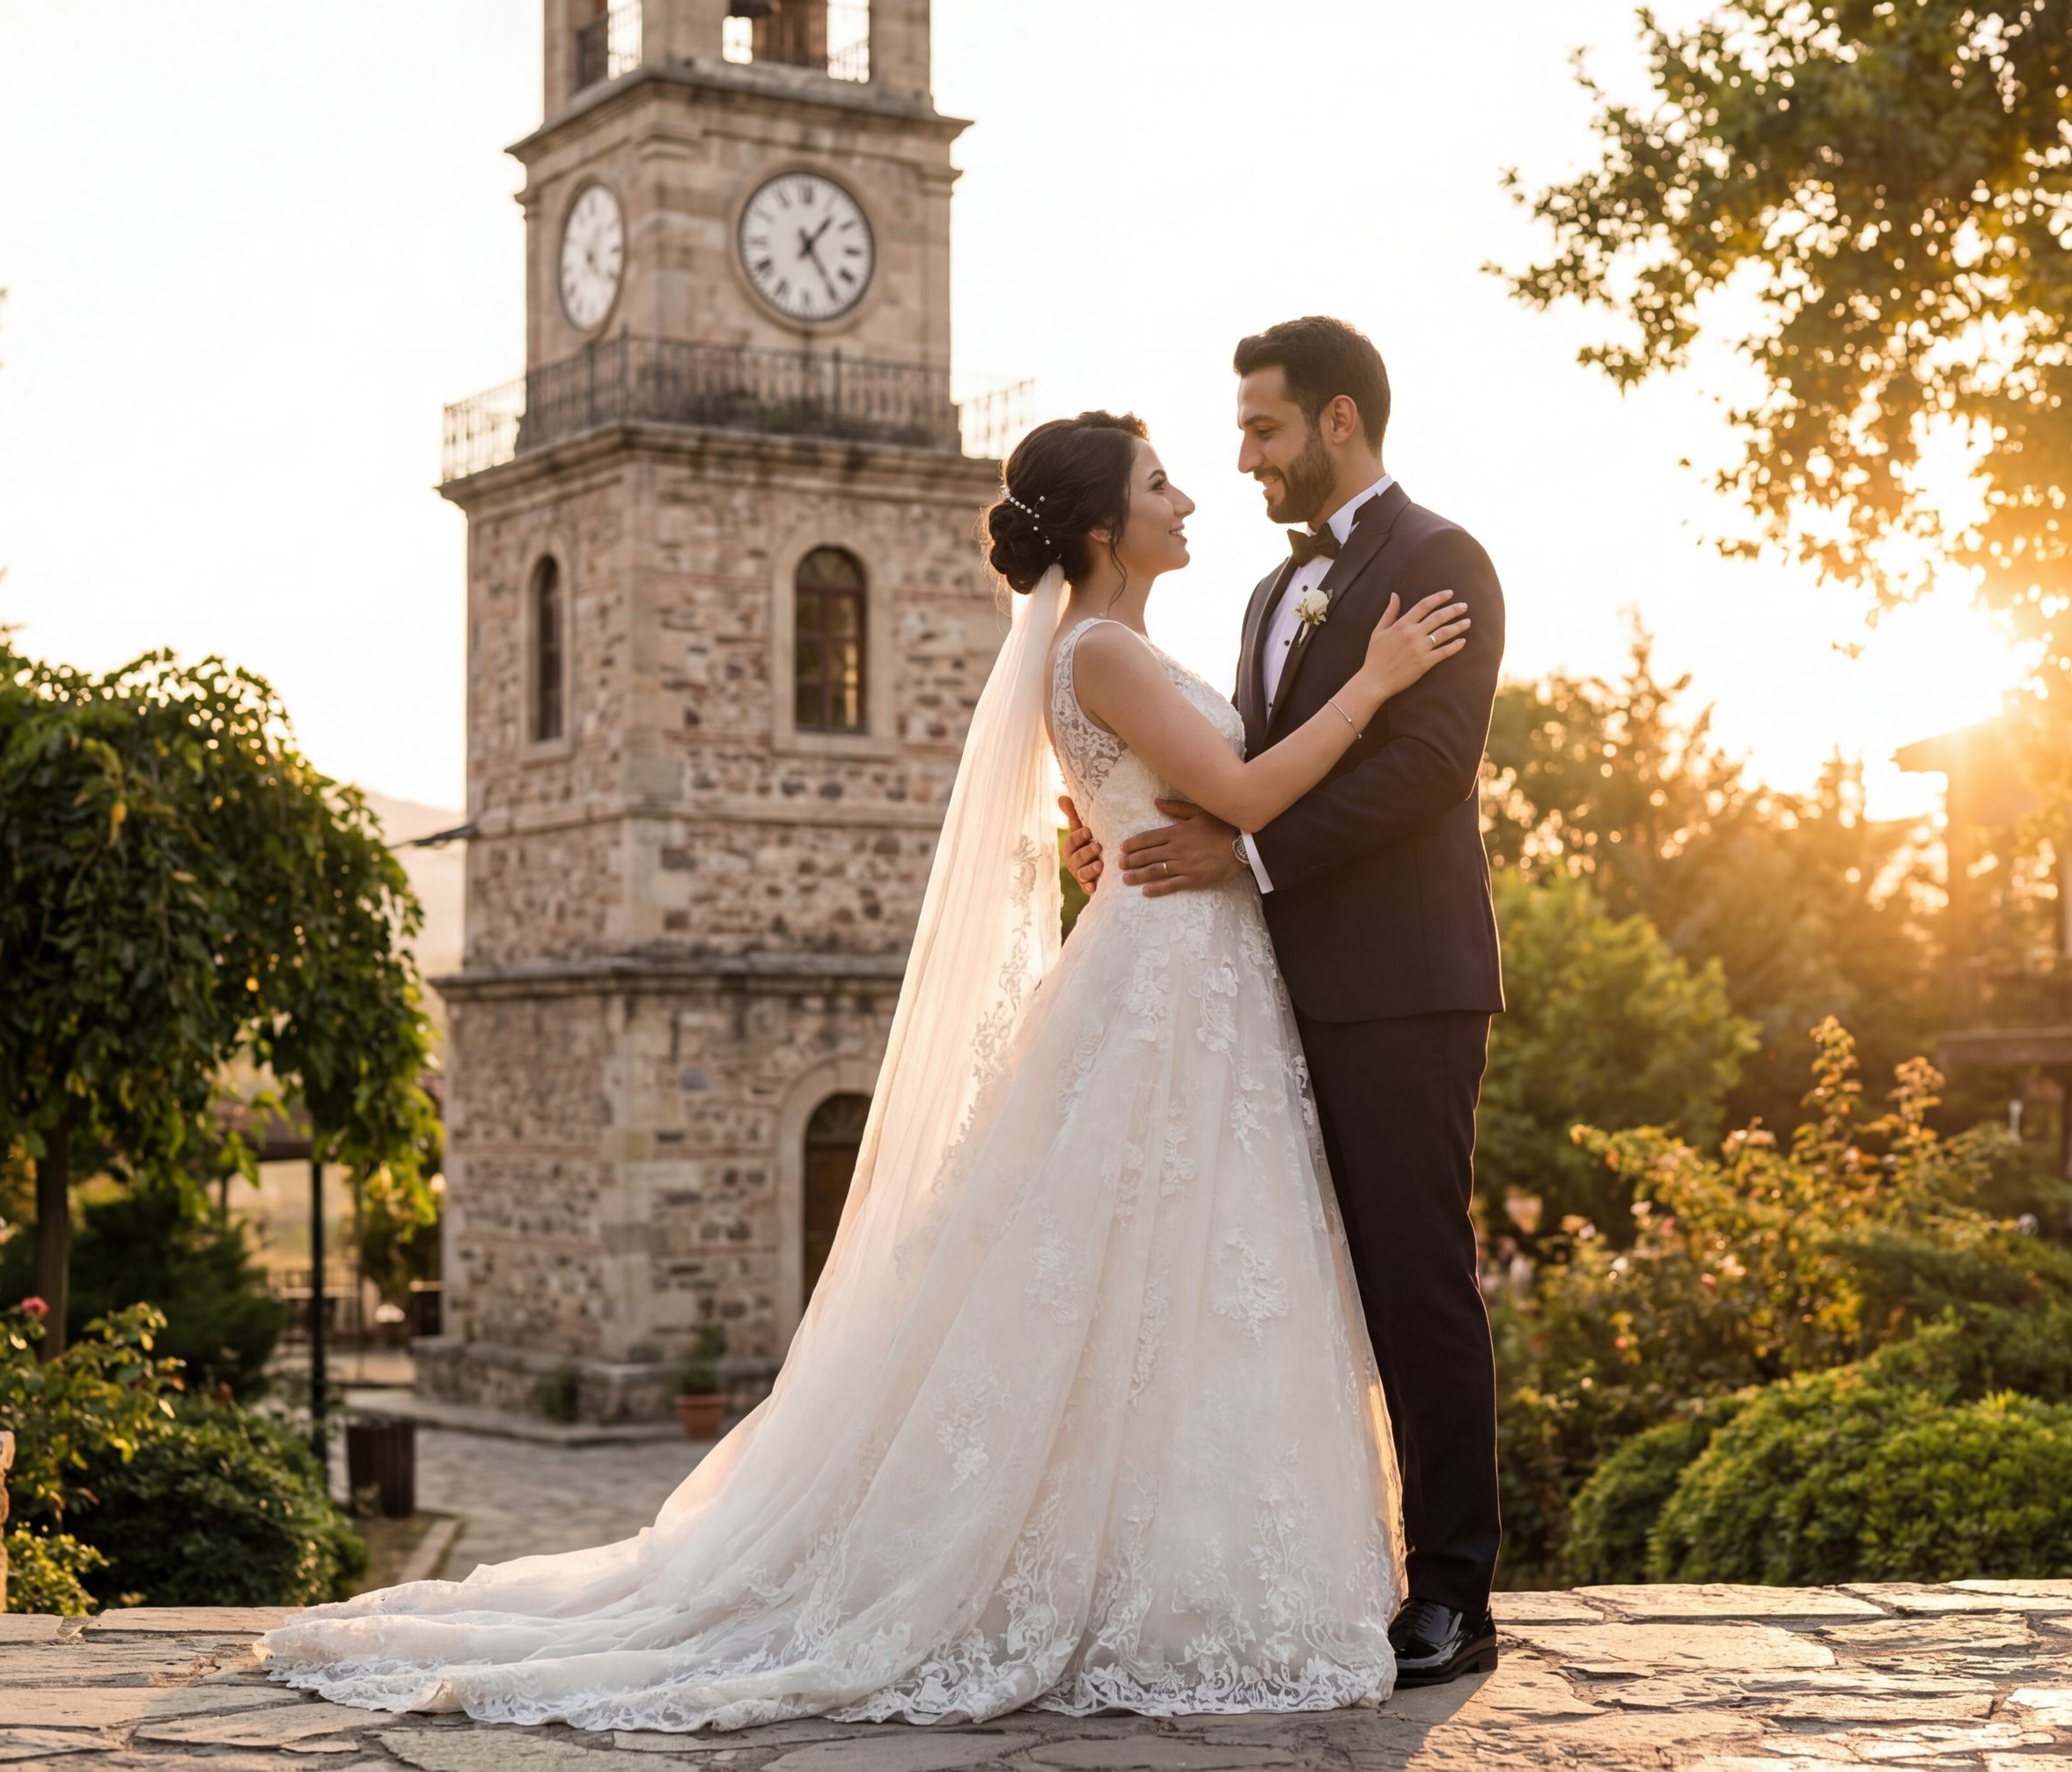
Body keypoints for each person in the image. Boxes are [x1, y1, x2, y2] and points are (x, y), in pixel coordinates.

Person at [255, 408, 1473, 1732]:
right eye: (1160, 481)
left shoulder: (1109, 647)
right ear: (1105, 523)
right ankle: (1127, 1565)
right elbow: (1243, 798)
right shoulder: (1107, 647)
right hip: (1174, 981)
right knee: (1152, 1265)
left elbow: (1168, 803)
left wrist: (1120, 834)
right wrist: (1378, 679)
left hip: (1192, 974)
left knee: (1170, 1274)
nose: (1190, 495)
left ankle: (1164, 1546)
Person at [1063, 318, 1507, 1685]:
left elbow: (1422, 768)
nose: (1239, 457)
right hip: (1256, 995)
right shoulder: (1268, 596)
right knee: (1279, 1284)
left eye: (1260, 429)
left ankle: (1452, 1590)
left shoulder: (1444, 563)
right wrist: (1131, 822)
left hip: (1396, 981)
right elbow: (1255, 757)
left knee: (1413, 1271)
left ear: (1339, 421)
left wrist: (1239, 851)